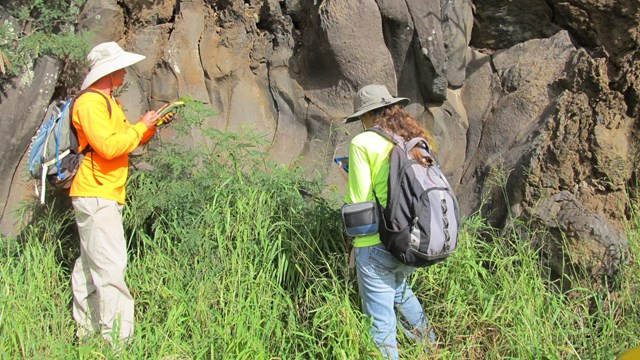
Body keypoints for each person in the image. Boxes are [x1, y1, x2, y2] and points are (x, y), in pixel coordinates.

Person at [69, 41, 161, 344]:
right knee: (111, 268)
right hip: (97, 194)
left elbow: (122, 140)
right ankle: (118, 344)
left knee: (89, 266)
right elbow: (108, 147)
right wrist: (139, 128)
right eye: (119, 67)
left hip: (103, 193)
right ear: (107, 72)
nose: (123, 71)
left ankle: (86, 335)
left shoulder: (108, 102)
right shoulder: (91, 103)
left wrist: (148, 127)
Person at [342, 84, 437, 359]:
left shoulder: (362, 143)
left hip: (376, 245)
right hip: (411, 241)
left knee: (380, 325)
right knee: (399, 291)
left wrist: (346, 177)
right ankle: (429, 347)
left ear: (367, 116)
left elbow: (358, 201)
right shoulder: (412, 139)